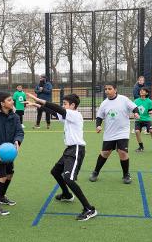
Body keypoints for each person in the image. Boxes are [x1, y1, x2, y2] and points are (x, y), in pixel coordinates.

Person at [24, 93, 97, 221]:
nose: (63, 106)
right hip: (69, 150)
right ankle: (67, 195)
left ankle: (89, 209)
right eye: (63, 104)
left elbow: (56, 108)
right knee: (56, 171)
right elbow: (54, 112)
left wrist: (39, 100)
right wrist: (36, 105)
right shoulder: (68, 115)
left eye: (65, 104)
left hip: (76, 149)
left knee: (69, 179)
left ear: (73, 105)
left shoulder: (75, 114)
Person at [89, 82, 140, 184]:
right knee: (105, 153)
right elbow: (99, 117)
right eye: (106, 89)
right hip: (110, 133)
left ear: (115, 90)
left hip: (123, 131)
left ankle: (126, 175)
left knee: (122, 152)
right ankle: (95, 172)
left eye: (109, 88)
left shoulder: (123, 99)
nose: (107, 91)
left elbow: (134, 107)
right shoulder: (104, 103)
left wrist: (136, 113)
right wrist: (98, 126)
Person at [0, 92, 24, 216]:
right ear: (2, 103)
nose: (12, 101)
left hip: (10, 153)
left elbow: (20, 132)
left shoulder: (15, 116)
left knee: (9, 175)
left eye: (12, 99)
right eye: (9, 100)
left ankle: (1, 196)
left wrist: (17, 141)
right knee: (1, 178)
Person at [134, 87, 152, 152]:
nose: (141, 91)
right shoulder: (136, 101)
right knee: (137, 132)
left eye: (143, 91)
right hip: (138, 120)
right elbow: (134, 110)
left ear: (146, 93)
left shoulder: (149, 101)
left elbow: (149, 111)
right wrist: (135, 114)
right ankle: (141, 147)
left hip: (147, 119)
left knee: (151, 131)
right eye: (141, 90)